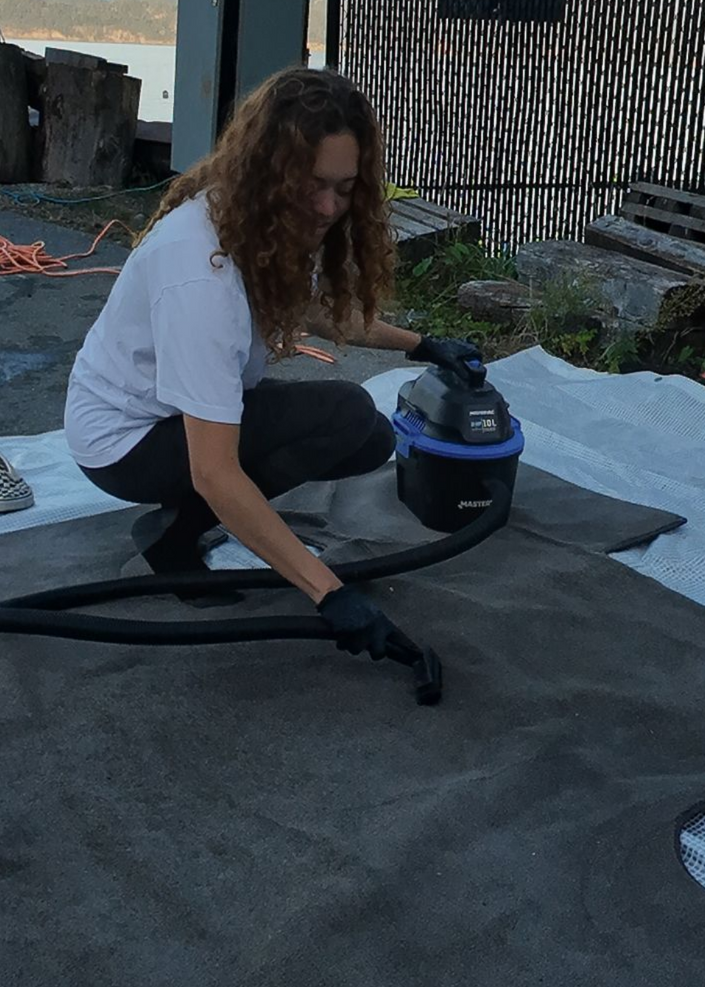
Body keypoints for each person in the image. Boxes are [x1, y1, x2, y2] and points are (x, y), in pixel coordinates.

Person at [63, 66, 477, 661]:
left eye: (345, 186)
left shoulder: (259, 221)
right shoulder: (198, 276)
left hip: (161, 420)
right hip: (124, 442)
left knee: (364, 434)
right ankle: (173, 541)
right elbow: (214, 470)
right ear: (269, 169)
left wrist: (422, 344)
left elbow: (307, 309)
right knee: (346, 418)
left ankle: (185, 524)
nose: (330, 205)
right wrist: (327, 593)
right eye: (313, 184)